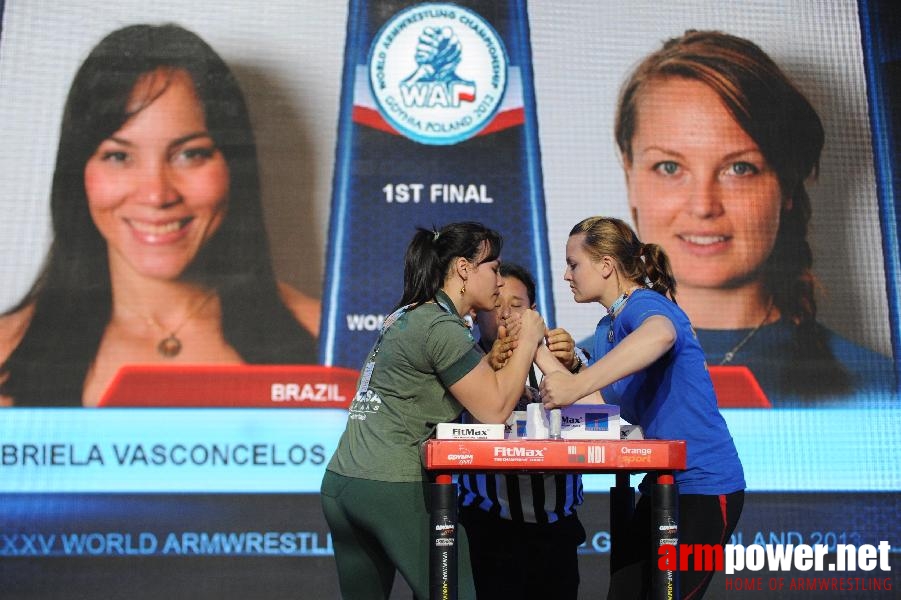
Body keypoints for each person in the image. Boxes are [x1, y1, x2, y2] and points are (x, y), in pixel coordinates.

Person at [0, 24, 320, 407]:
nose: (156, 194)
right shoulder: (6, 353)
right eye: (119, 156)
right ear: (78, 172)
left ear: (235, 167)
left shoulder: (327, 338)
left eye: (190, 154)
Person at [613, 29, 895, 405]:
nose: (703, 206)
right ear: (630, 174)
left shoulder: (879, 392)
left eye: (740, 168)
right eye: (669, 166)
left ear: (788, 185)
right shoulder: (568, 380)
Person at [321, 222, 546, 600]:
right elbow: (493, 411)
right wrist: (528, 338)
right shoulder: (440, 327)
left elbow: (456, 386)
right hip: (391, 486)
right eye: (493, 268)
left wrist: (497, 361)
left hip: (343, 485)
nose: (499, 281)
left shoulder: (413, 314)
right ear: (463, 268)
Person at [539, 216, 745, 600]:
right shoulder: (607, 328)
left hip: (703, 486)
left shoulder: (644, 304)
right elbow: (600, 408)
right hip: (661, 487)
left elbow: (661, 334)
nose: (567, 275)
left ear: (605, 265)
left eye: (573, 263)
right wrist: (538, 350)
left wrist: (576, 382)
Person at [458, 262, 586, 600]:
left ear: (534, 313)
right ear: (477, 313)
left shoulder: (560, 356)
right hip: (488, 527)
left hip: (556, 528)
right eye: (496, 305)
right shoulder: (463, 361)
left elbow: (599, 409)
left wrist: (572, 363)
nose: (505, 315)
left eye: (517, 306)